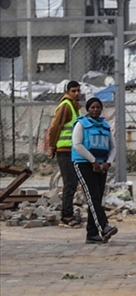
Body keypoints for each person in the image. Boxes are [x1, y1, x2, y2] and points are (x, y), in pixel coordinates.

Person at [71, 98, 117, 244]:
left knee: (96, 198)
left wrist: (108, 162)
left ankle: (92, 234)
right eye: (92, 107)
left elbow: (113, 147)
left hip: (101, 165)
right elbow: (77, 144)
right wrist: (93, 161)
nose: (95, 110)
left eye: (98, 107)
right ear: (88, 109)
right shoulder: (81, 124)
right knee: (92, 197)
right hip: (84, 164)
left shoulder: (105, 125)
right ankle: (104, 226)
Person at [45, 80, 82, 227]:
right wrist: (52, 146)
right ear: (67, 92)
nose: (76, 93)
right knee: (70, 183)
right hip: (64, 150)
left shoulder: (74, 107)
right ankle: (66, 216)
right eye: (73, 91)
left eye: (78, 91)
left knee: (72, 183)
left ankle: (68, 214)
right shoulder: (65, 106)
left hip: (72, 150)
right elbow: (54, 128)